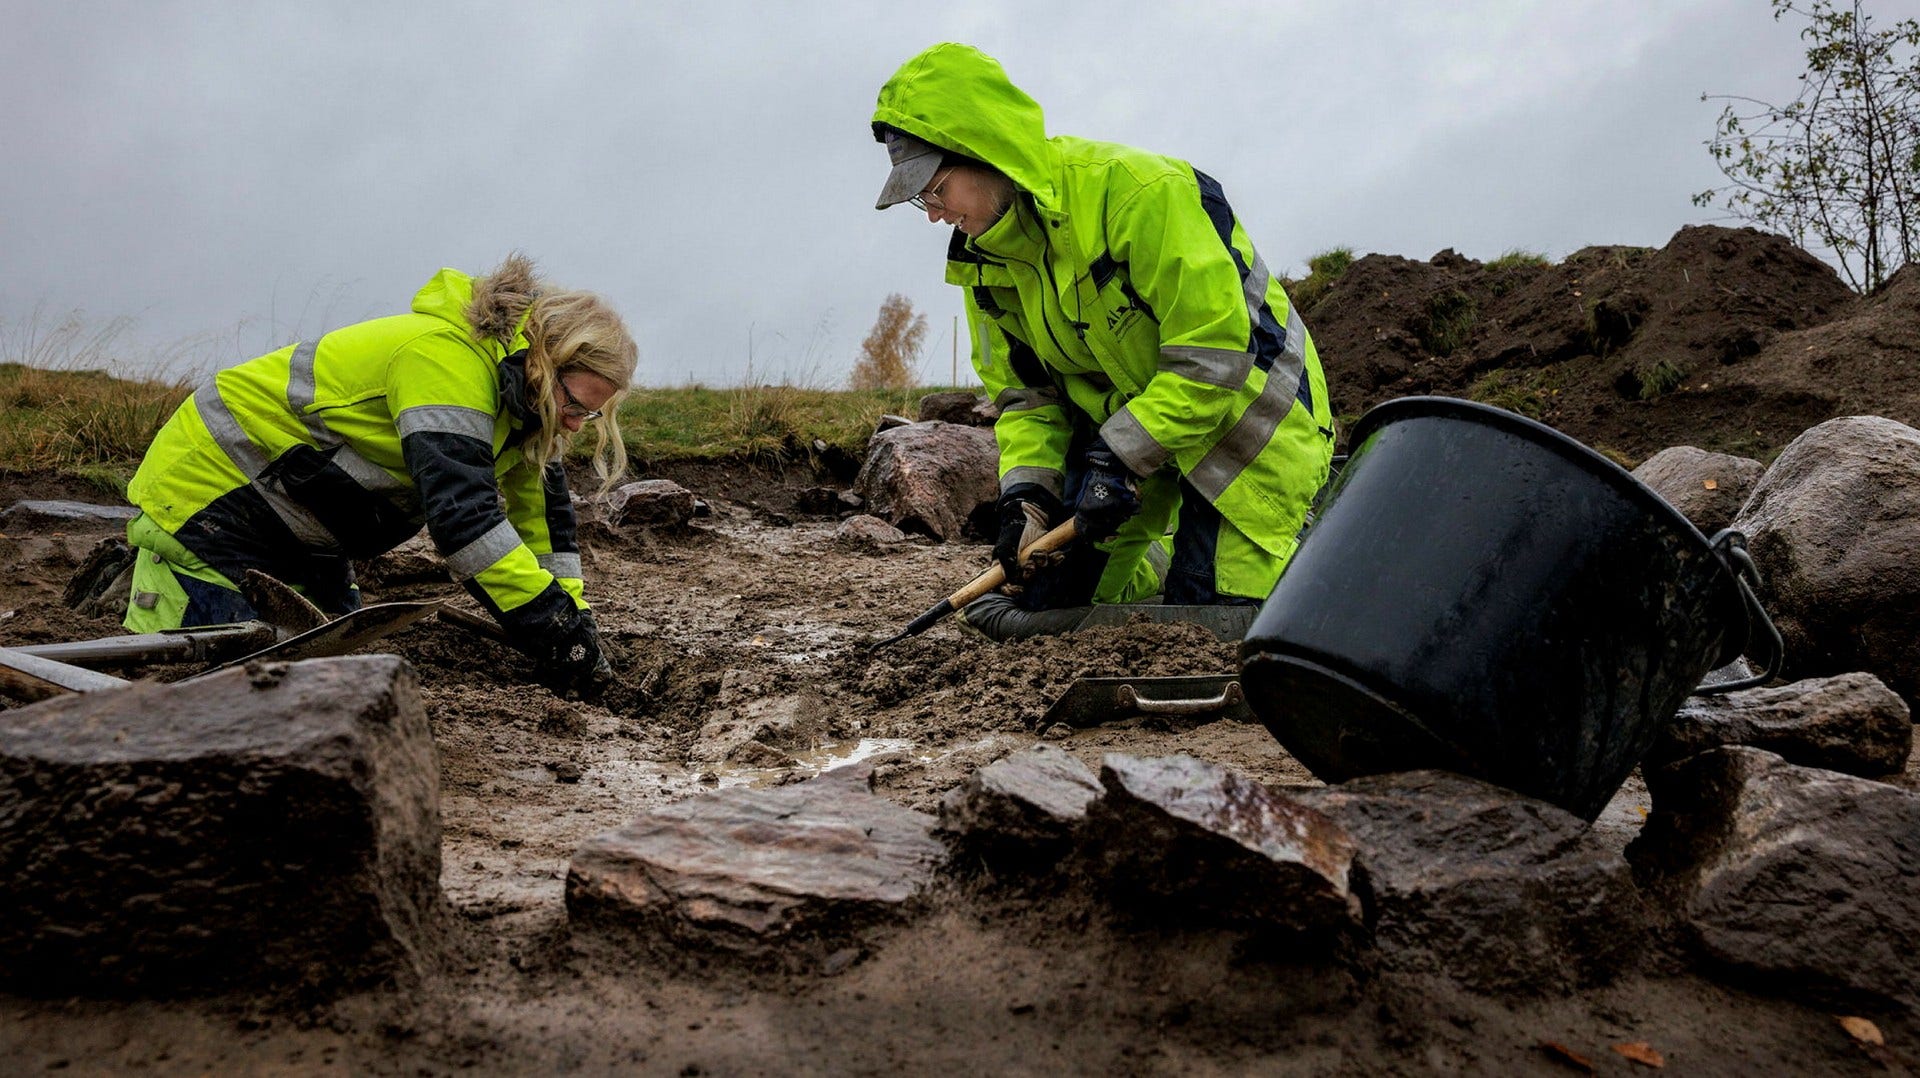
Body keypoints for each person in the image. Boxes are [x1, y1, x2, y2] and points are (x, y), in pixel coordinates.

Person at [871, 43, 1336, 640]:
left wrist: (1117, 459)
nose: (934, 213)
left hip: (1247, 435)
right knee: (1045, 598)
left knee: (1206, 626)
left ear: (985, 151)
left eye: (936, 189)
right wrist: (1027, 500)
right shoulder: (985, 266)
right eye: (921, 200)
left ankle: (1288, 553)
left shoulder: (1141, 194)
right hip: (1132, 446)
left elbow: (1214, 357)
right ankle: (1171, 557)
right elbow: (1027, 402)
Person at [121, 253, 635, 695]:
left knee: (323, 662)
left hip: (299, 511)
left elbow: (544, 526)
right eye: (574, 404)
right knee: (212, 679)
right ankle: (149, 578)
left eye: (590, 415)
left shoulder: (525, 404)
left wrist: (574, 619)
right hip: (215, 490)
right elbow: (467, 525)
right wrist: (548, 626)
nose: (576, 423)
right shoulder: (445, 360)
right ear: (544, 361)